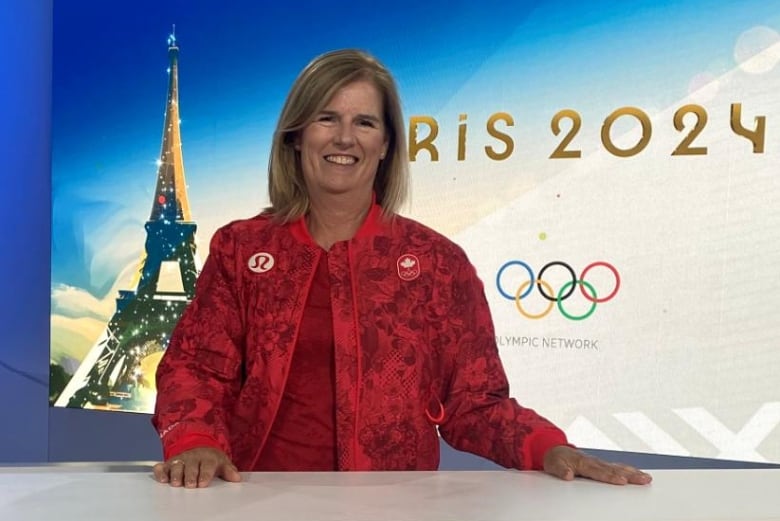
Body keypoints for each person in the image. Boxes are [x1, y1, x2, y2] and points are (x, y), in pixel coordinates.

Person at [151, 49, 652, 489]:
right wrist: (196, 441)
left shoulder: (438, 263)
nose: (345, 138)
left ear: (387, 143)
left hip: (396, 506)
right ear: (296, 135)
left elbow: (474, 404)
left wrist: (549, 449)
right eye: (327, 118)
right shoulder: (241, 249)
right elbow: (195, 369)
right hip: (253, 498)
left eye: (365, 123)